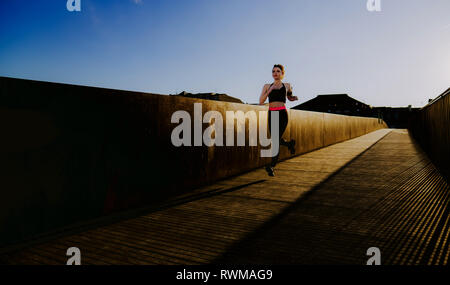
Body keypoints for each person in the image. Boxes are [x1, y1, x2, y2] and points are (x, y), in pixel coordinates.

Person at [259, 64, 298, 176]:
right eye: (273, 71)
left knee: (275, 141)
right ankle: (289, 144)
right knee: (274, 139)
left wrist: (293, 98)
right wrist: (270, 90)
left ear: (282, 73)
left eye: (278, 71)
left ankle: (271, 166)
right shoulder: (267, 86)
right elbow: (261, 101)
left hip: (282, 114)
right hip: (272, 114)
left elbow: (289, 97)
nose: (275, 73)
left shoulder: (287, 85)